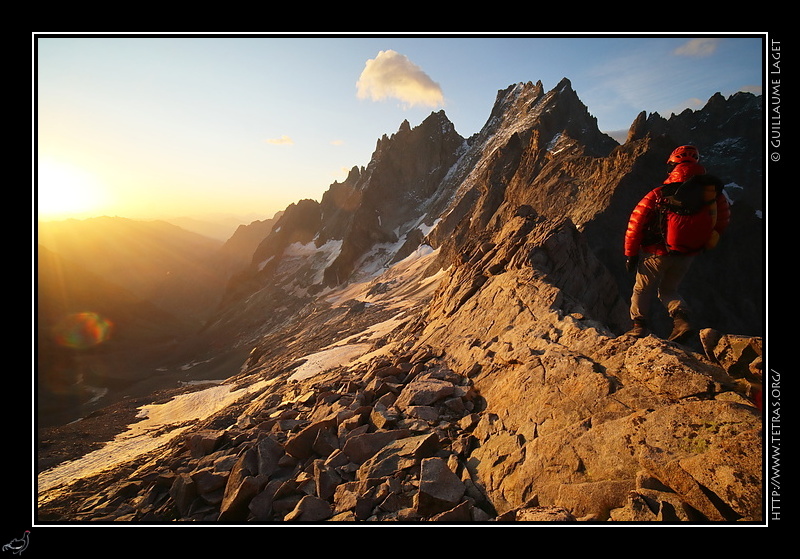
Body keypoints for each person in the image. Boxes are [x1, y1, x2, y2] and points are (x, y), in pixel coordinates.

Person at [623, 145, 730, 341]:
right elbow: (722, 220)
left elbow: (636, 223)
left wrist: (630, 253)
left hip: (656, 252)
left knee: (642, 289)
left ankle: (638, 327)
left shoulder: (658, 193)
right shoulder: (713, 194)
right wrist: (705, 242)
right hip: (688, 253)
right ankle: (682, 321)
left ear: (672, 167)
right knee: (669, 290)